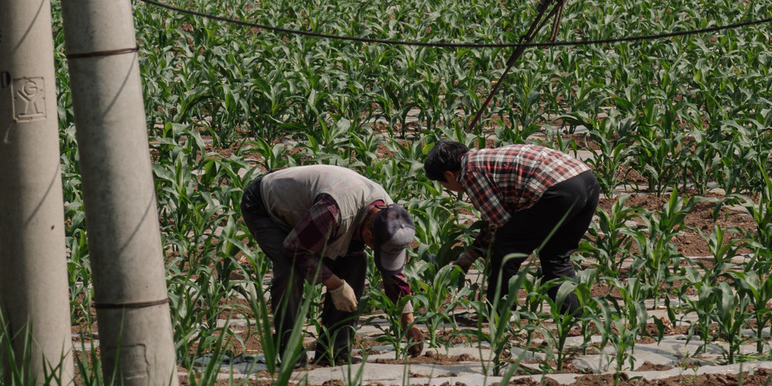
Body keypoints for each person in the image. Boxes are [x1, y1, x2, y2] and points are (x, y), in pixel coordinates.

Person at [238, 163, 420, 363]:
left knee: (356, 261)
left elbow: (393, 273)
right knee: (289, 272)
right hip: (267, 206)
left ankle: (334, 353)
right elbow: (295, 248)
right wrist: (335, 284)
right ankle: (291, 355)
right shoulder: (334, 211)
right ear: (369, 234)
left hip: (313, 217)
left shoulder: (392, 219)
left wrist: (408, 321)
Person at [422, 137, 599, 321]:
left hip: (558, 189)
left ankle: (500, 313)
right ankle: (574, 318)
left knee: (506, 249)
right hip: (586, 180)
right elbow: (507, 219)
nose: (449, 189)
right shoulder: (483, 158)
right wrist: (473, 254)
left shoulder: (469, 173)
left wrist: (471, 254)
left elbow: (500, 224)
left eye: (444, 185)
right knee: (555, 256)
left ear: (449, 175)